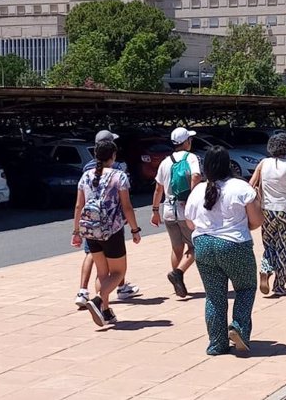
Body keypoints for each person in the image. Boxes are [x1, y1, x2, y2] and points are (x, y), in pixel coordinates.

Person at [184, 146, 263, 355]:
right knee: (245, 288)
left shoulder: (198, 190)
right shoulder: (241, 187)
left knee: (214, 296)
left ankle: (217, 344)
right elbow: (256, 221)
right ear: (228, 163)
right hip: (234, 244)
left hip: (203, 245)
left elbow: (190, 223)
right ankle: (238, 327)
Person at [71, 140, 141, 327]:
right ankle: (98, 301)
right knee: (118, 272)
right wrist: (135, 229)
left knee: (103, 273)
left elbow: (79, 205)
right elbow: (127, 207)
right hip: (112, 231)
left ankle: (106, 312)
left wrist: (76, 231)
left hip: (90, 231)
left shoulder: (85, 176)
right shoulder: (119, 176)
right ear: (114, 156)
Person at [249, 133, 286, 296]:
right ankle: (280, 285)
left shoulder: (263, 163)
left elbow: (251, 184)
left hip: (267, 209)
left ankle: (265, 269)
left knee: (269, 244)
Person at [151, 127, 201, 298]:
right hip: (184, 210)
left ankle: (177, 283)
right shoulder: (191, 157)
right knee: (197, 245)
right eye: (190, 139)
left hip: (168, 211)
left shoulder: (165, 162)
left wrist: (155, 210)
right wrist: (194, 197)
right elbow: (196, 176)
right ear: (186, 142)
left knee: (176, 248)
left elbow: (158, 188)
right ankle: (178, 273)